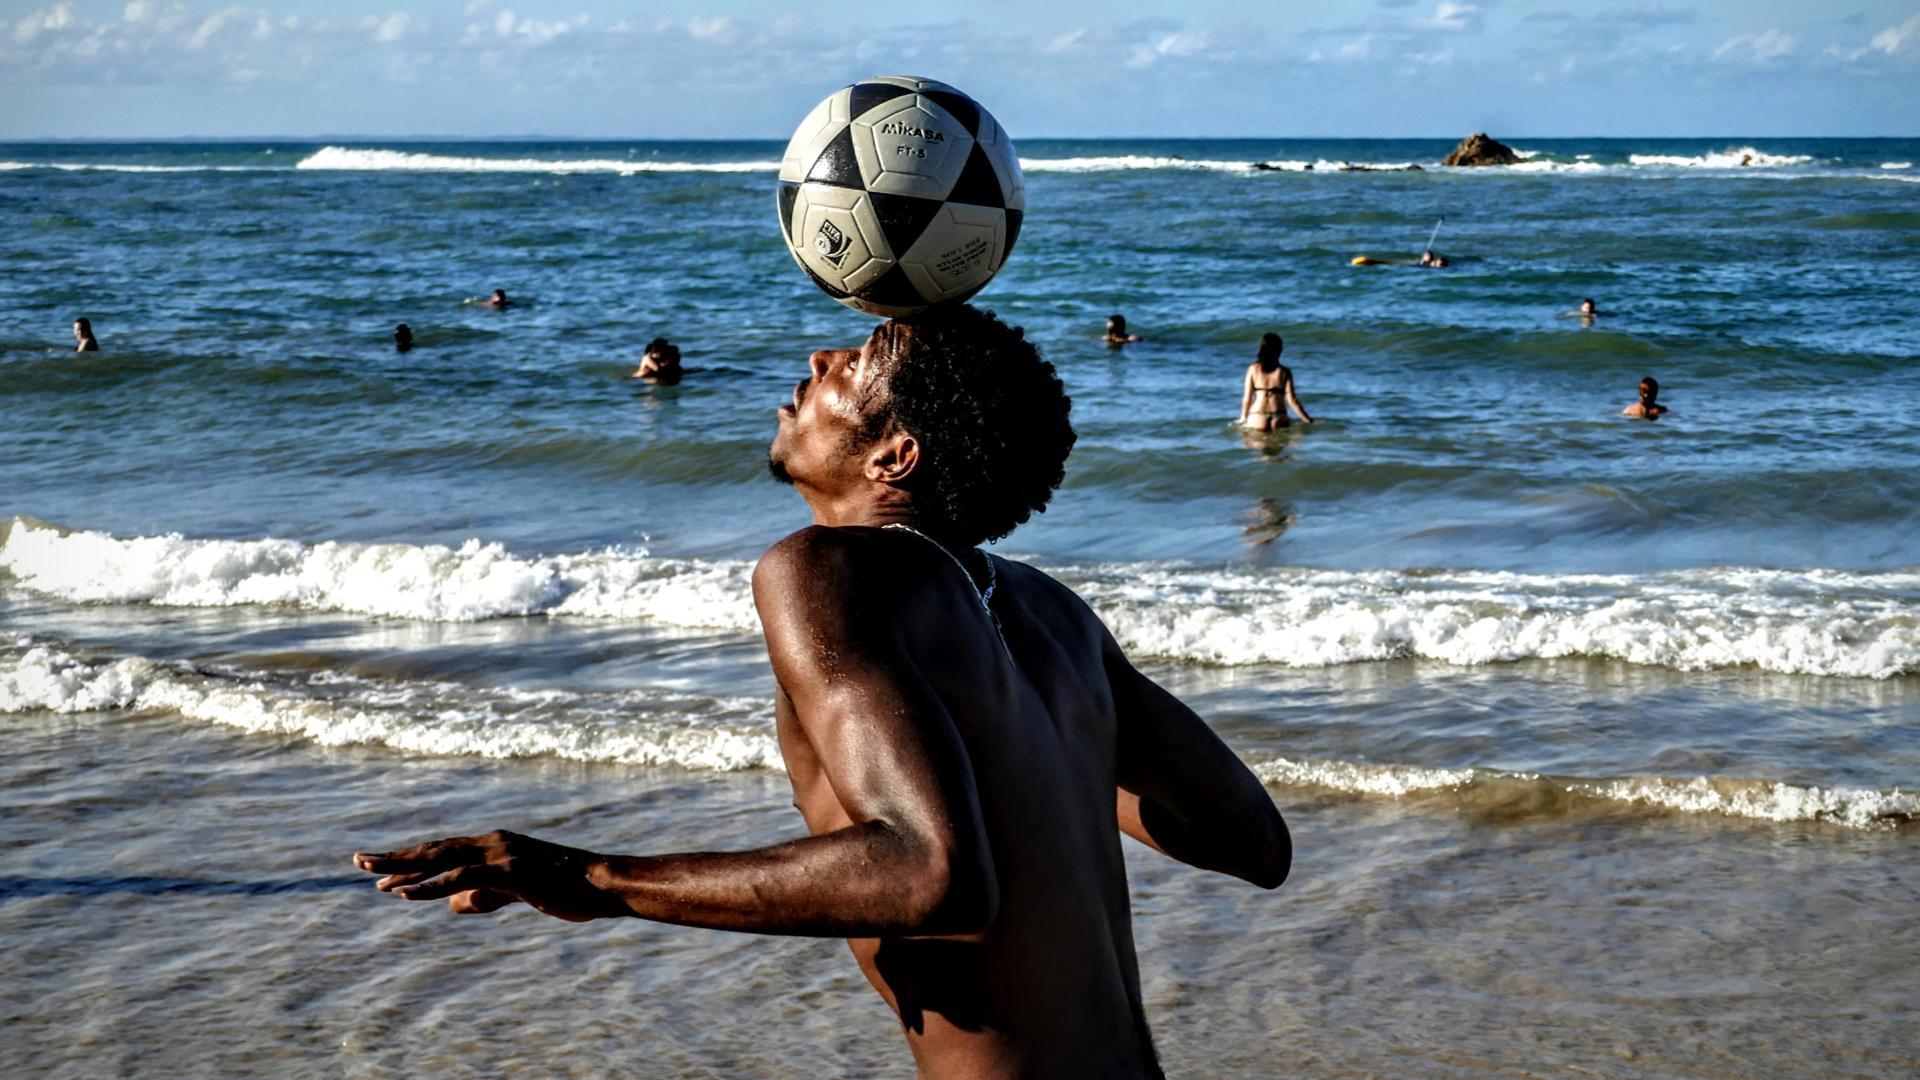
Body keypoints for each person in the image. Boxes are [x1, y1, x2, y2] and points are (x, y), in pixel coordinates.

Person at [353, 305, 1290, 1079]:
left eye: (860, 359)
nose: (820, 355)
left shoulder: (821, 571)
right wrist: (1048, 774)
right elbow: (1251, 838)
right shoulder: (1054, 615)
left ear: (895, 457)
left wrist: (593, 879)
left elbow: (929, 877)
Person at [1239, 332, 1313, 432]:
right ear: (1279, 350)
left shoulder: (1253, 369)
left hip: (1257, 417)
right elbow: (1292, 400)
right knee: (1278, 445)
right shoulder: (1284, 372)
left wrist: (1243, 418)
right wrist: (1307, 420)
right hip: (1279, 417)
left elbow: (1247, 398)